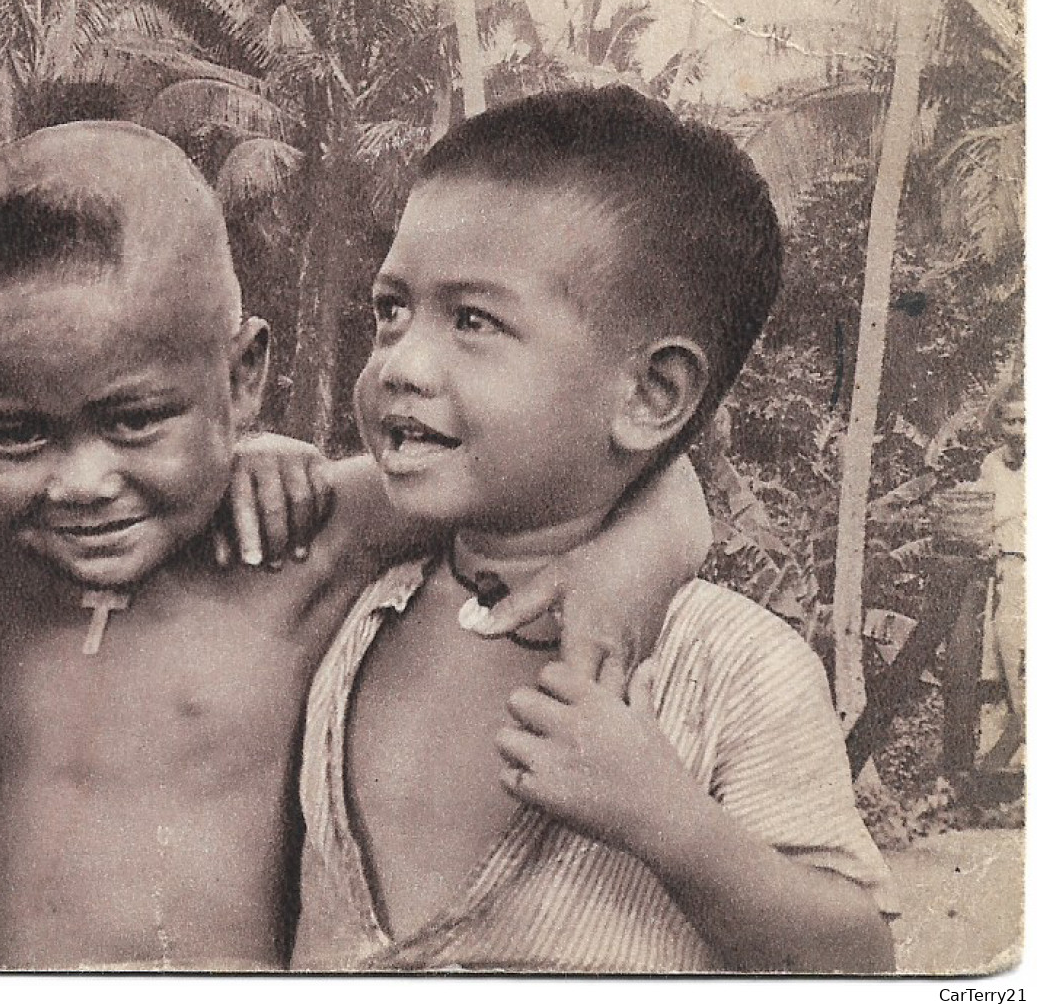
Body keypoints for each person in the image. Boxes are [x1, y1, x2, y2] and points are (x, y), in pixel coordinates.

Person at [0, 120, 714, 969]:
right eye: (14, 436)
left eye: (135, 419)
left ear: (241, 376)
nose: (80, 482)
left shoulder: (302, 534)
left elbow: (627, 466)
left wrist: (630, 565)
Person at [292, 87, 897, 973]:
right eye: (392, 309)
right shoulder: (351, 598)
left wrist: (673, 825)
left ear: (650, 396)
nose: (400, 364)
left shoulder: (728, 665)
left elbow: (862, 961)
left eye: (473, 321)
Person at [976, 379, 1024, 766]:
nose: (1019, 430)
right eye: (1011, 422)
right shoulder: (991, 465)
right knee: (1009, 661)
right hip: (1007, 571)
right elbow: (982, 517)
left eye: (1027, 420)